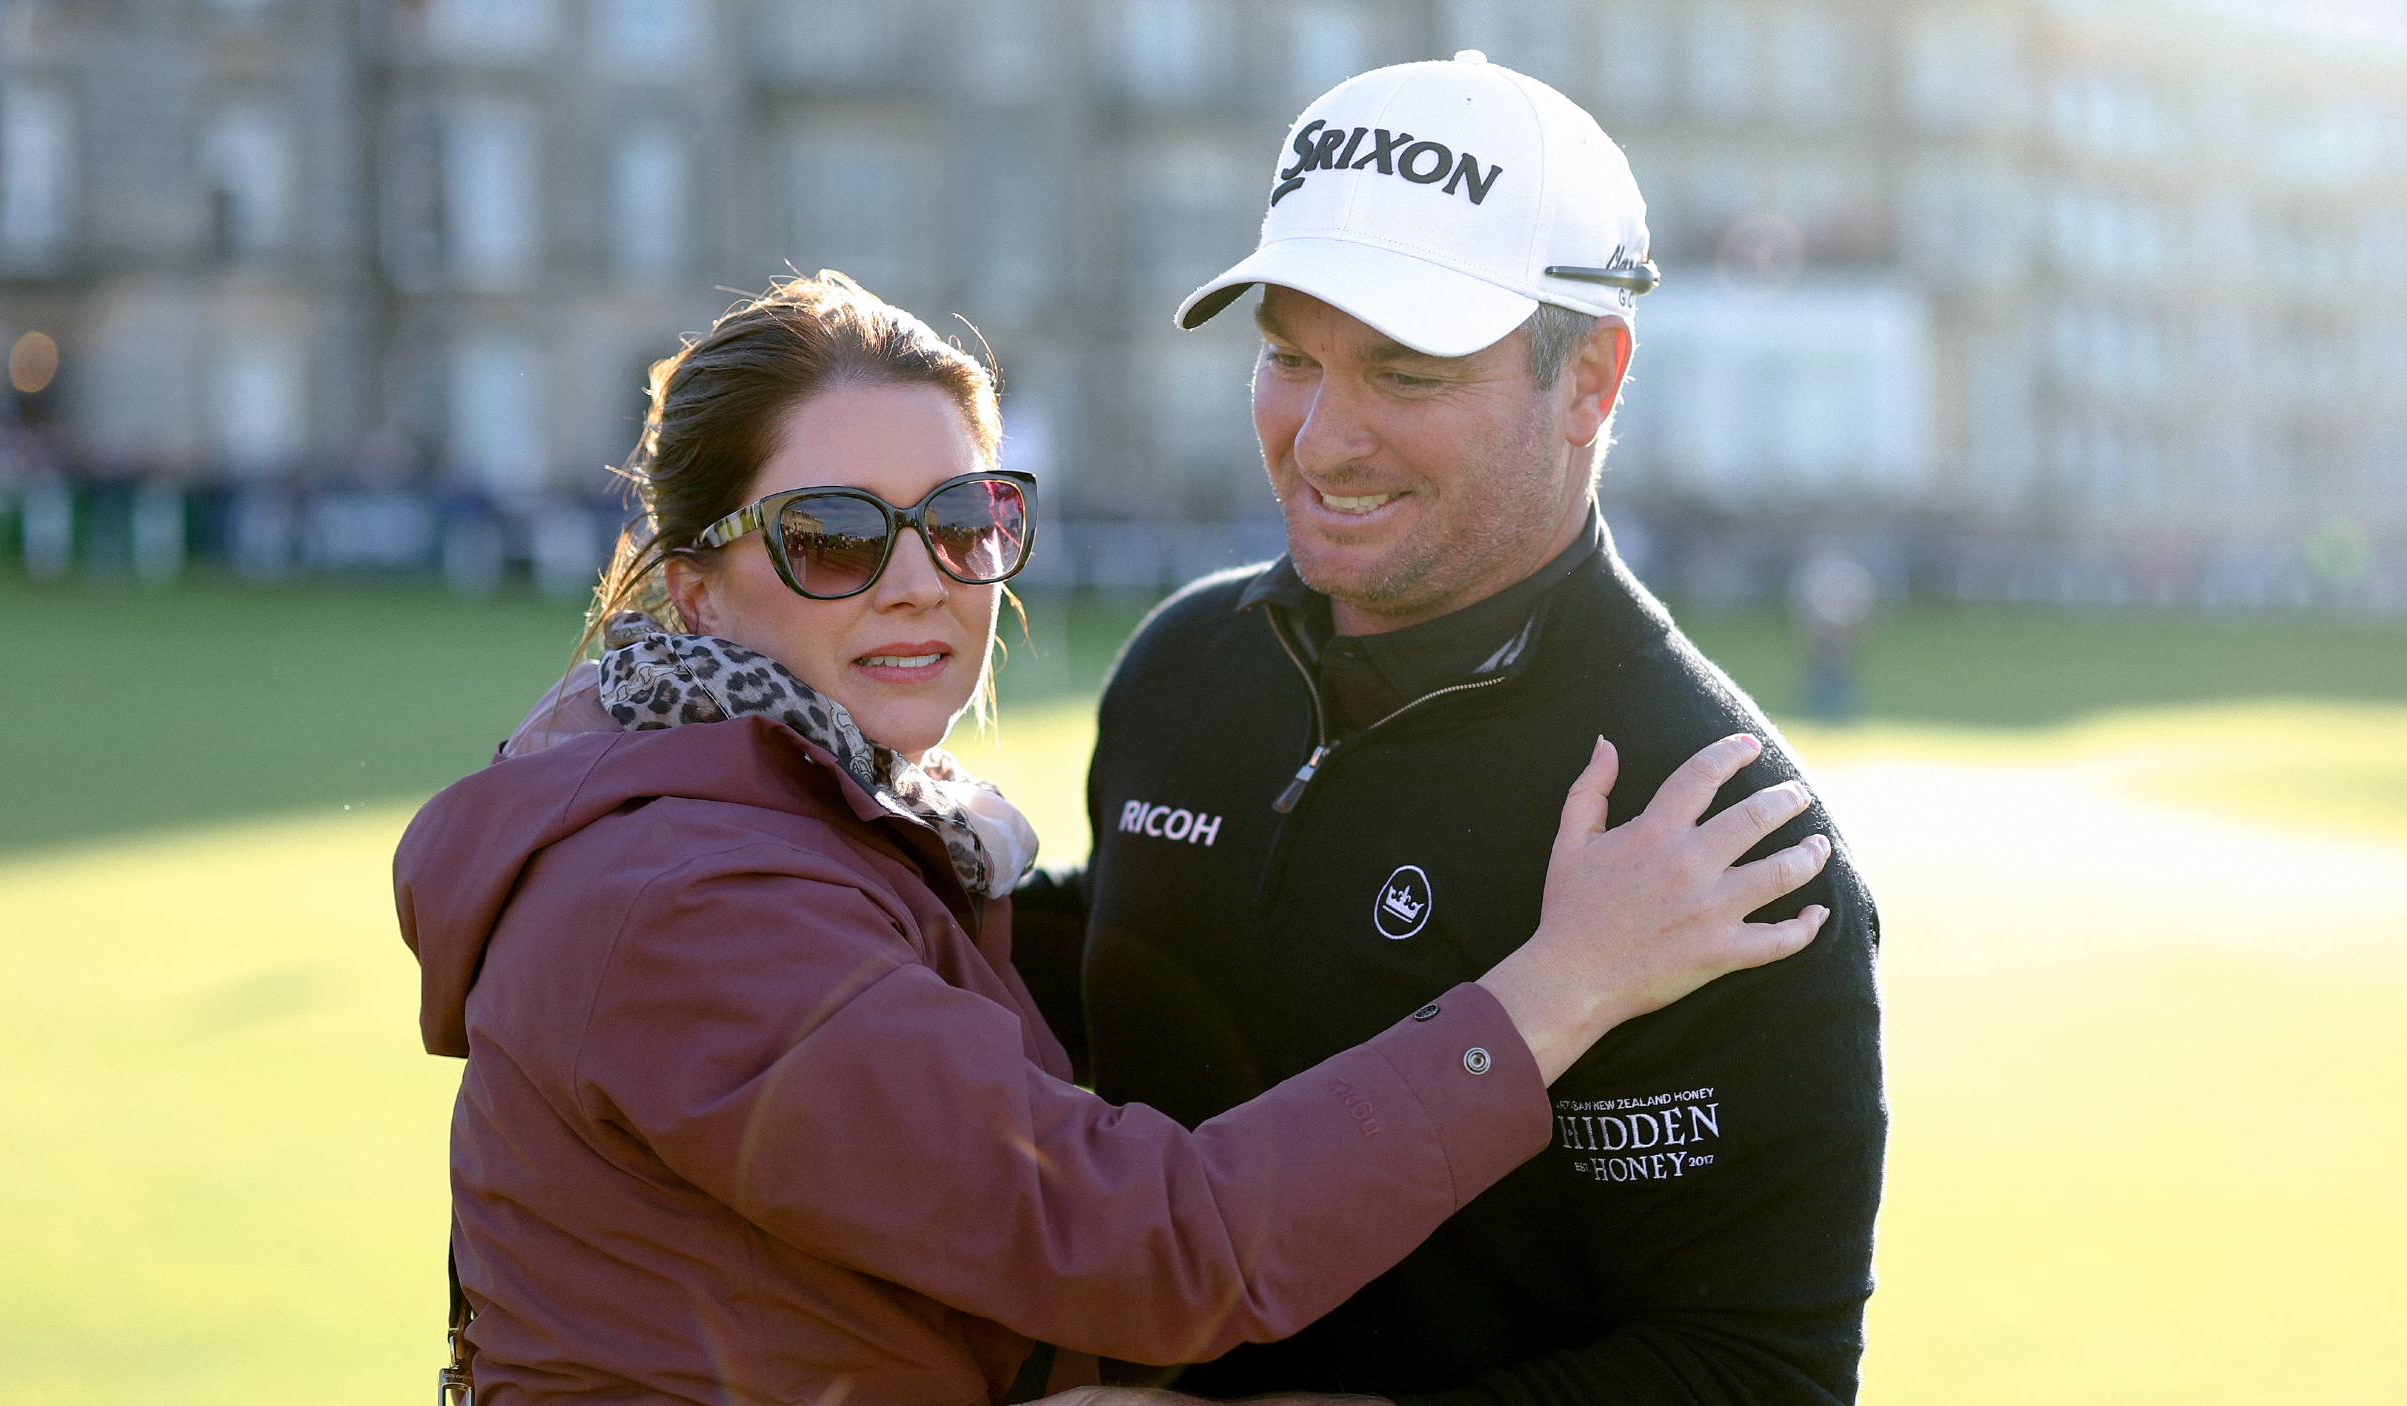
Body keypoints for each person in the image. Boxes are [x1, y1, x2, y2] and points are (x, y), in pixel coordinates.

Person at [394, 272, 1835, 1405]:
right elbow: (1150, 1243)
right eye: (832, 536)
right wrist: (1565, 982)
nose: (919, 583)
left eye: (963, 521)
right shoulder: (687, 898)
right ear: (700, 586)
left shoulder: (796, 811)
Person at [1010, 54, 1887, 1404]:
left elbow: (1755, 1372)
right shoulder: (1182, 667)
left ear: (1590, 379)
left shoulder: (1715, 829)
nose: (1321, 440)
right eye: (1288, 357)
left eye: (1407, 373)